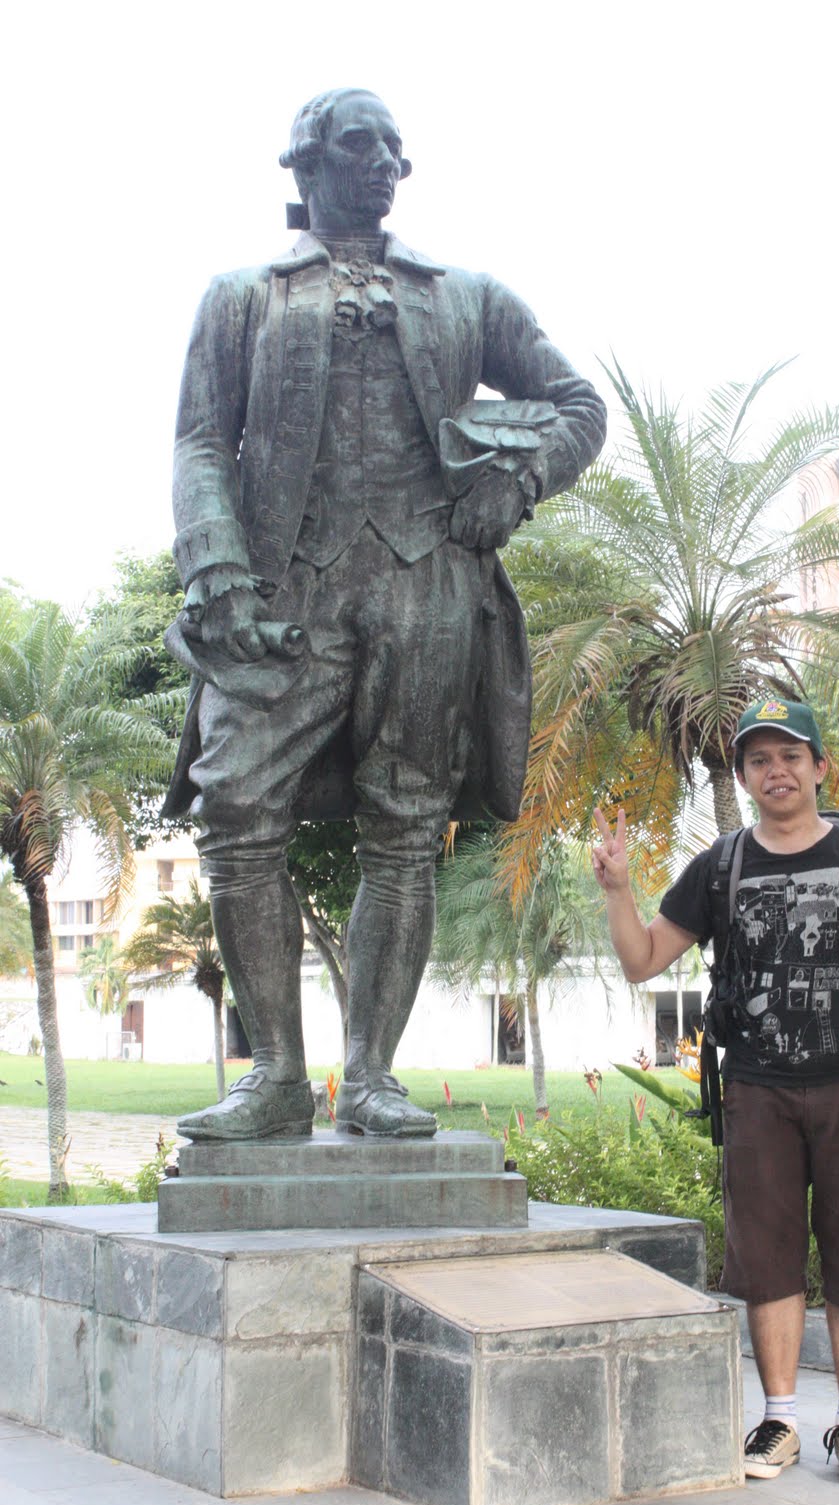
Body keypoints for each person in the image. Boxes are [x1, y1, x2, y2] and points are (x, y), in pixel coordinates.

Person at [162, 88, 606, 1140]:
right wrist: (216, 568)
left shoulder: (465, 294)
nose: (385, 164)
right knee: (236, 804)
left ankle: (369, 1077)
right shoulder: (242, 296)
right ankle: (275, 1075)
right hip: (283, 591)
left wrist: (519, 481)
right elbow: (200, 441)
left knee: (405, 825)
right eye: (361, 144)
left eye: (396, 150)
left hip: (428, 589)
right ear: (306, 162)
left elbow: (578, 406)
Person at [592, 698, 839, 1485]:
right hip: (757, 1087)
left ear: (818, 767)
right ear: (742, 777)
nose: (776, 771)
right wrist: (618, 890)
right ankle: (780, 1421)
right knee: (765, 1257)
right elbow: (642, 960)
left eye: (790, 755)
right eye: (758, 759)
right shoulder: (721, 865)